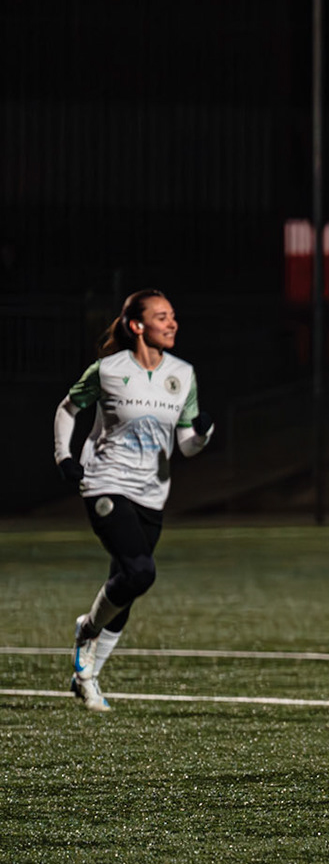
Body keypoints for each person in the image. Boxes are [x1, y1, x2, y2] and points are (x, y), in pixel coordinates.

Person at [51, 289, 214, 711]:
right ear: (136, 325)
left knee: (125, 582)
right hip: (106, 482)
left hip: (152, 493)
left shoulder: (184, 375)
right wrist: (64, 456)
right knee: (140, 572)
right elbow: (68, 409)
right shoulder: (108, 370)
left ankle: (86, 676)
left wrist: (202, 435)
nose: (172, 322)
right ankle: (87, 629)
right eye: (162, 316)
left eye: (173, 315)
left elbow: (186, 444)